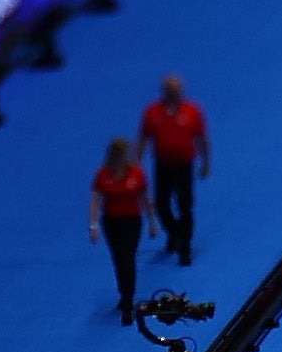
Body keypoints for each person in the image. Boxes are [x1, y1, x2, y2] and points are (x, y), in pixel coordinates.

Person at [138, 76, 211, 267]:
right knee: (162, 206)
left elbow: (201, 138)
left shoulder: (193, 111)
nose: (174, 93)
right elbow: (143, 139)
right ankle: (174, 232)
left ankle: (184, 248)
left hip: (184, 165)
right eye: (170, 90)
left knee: (185, 206)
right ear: (164, 91)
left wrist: (205, 162)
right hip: (162, 164)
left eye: (177, 90)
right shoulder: (152, 112)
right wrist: (136, 163)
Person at [90, 137, 151, 315]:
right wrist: (93, 225)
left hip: (132, 221)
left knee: (128, 258)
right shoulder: (103, 175)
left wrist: (152, 222)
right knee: (118, 259)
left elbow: (144, 197)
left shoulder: (137, 173)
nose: (127, 157)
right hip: (112, 222)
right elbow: (95, 200)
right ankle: (123, 292)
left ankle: (128, 296)